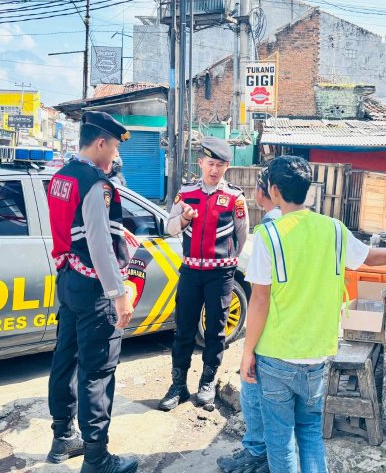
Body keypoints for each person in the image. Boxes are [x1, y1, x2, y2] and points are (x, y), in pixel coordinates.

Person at [240, 156, 386, 473]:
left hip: (276, 355)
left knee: (281, 443)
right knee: (310, 435)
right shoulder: (333, 229)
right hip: (318, 354)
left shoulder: (268, 235)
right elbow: (368, 257)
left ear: (274, 191)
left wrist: (247, 352)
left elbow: (260, 302)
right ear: (308, 190)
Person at [46, 111, 137, 473]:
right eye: (113, 147)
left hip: (68, 281)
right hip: (94, 287)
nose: (115, 155)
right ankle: (97, 458)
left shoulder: (60, 176)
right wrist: (118, 293)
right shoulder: (96, 184)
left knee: (64, 359)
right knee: (98, 370)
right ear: (100, 143)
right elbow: (99, 243)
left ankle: (61, 438)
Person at [158, 137, 248, 412]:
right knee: (183, 328)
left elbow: (241, 235)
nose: (214, 170)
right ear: (200, 163)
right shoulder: (185, 193)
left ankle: (207, 383)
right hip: (190, 271)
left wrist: (227, 260)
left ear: (227, 167)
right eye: (210, 163)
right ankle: (178, 386)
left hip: (220, 275)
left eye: (220, 165)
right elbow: (170, 228)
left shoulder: (235, 197)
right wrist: (185, 218)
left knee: (216, 330)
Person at [218, 166, 278, 473]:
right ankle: (266, 451)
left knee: (252, 385)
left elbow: (259, 298)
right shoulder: (316, 225)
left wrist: (247, 349)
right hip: (299, 335)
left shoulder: (270, 226)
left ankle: (257, 452)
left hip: (272, 330)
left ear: (263, 193)